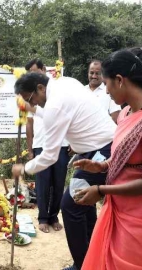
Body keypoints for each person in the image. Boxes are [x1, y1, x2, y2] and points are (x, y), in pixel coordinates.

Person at [12, 72, 116, 270]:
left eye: (31, 98)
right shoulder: (65, 83)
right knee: (83, 203)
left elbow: (49, 156)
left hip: (103, 151)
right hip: (97, 149)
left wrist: (24, 168)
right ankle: (94, 256)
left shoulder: (54, 104)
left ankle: (82, 264)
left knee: (70, 204)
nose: (32, 102)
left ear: (40, 88)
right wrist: (33, 109)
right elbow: (56, 112)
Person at [74, 48, 142, 270]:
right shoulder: (125, 113)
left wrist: (102, 191)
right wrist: (101, 165)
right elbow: (123, 157)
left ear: (120, 80)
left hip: (136, 219)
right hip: (117, 209)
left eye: (107, 84)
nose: (105, 91)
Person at [24, 58, 70, 233]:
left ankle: (54, 216)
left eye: (35, 72)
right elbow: (29, 124)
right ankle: (43, 217)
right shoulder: (29, 94)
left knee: (58, 183)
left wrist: (72, 141)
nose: (33, 76)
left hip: (61, 144)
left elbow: (68, 116)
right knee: (42, 183)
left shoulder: (58, 89)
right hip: (41, 144)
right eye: (29, 74)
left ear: (44, 70)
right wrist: (30, 150)